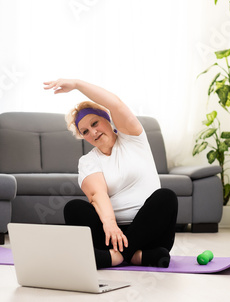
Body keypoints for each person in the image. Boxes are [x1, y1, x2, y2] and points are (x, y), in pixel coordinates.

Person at [43, 79, 178, 269]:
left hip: (150, 233)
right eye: (85, 132)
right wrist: (110, 224)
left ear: (107, 117)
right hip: (110, 235)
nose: (93, 132)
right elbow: (97, 194)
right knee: (73, 208)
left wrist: (76, 85)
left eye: (95, 123)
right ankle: (135, 256)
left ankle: (114, 257)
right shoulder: (88, 161)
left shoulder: (133, 138)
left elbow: (116, 104)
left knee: (166, 197)